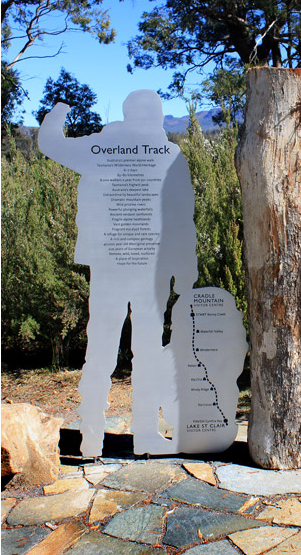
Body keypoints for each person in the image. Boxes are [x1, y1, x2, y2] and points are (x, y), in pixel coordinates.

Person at [38, 90, 198, 456]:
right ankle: (142, 435)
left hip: (111, 264)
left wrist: (61, 107)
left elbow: (49, 142)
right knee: (145, 350)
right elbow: (182, 220)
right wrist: (185, 272)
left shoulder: (99, 150)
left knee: (101, 350)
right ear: (157, 116)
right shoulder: (169, 156)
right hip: (149, 266)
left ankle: (92, 438)